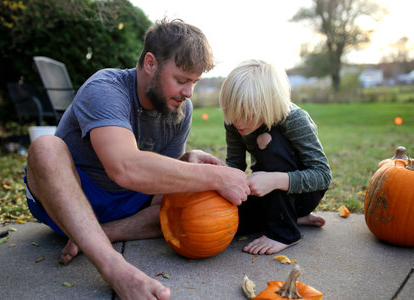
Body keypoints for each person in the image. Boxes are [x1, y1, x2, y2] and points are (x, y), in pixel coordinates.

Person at [24, 19, 250, 300]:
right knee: (45, 147)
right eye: (181, 80)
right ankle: (114, 267)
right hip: (69, 199)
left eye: (194, 82)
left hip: (129, 204)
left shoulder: (180, 108)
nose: (188, 93)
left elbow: (161, 188)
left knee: (189, 176)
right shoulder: (106, 87)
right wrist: (221, 176)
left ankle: (100, 235)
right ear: (151, 63)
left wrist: (187, 160)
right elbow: (124, 167)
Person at [219, 59, 332, 255]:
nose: (238, 121)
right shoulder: (234, 122)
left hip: (302, 193)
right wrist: (220, 182)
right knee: (231, 225)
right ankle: (293, 218)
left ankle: (285, 233)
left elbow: (322, 176)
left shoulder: (293, 119)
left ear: (268, 104)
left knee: (268, 139)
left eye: (247, 113)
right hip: (268, 193)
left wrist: (274, 180)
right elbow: (235, 164)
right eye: (232, 111)